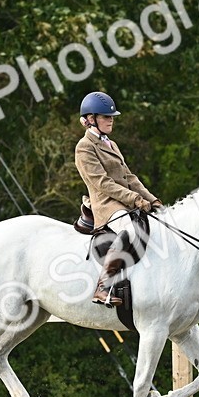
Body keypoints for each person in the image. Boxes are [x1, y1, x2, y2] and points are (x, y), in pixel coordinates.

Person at [73, 91, 163, 307]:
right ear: (91, 120)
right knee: (131, 231)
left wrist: (153, 200)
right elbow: (102, 183)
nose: (111, 120)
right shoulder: (84, 147)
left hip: (123, 201)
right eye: (105, 117)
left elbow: (130, 177)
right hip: (105, 204)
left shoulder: (111, 144)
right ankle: (102, 288)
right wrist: (134, 200)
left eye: (111, 116)